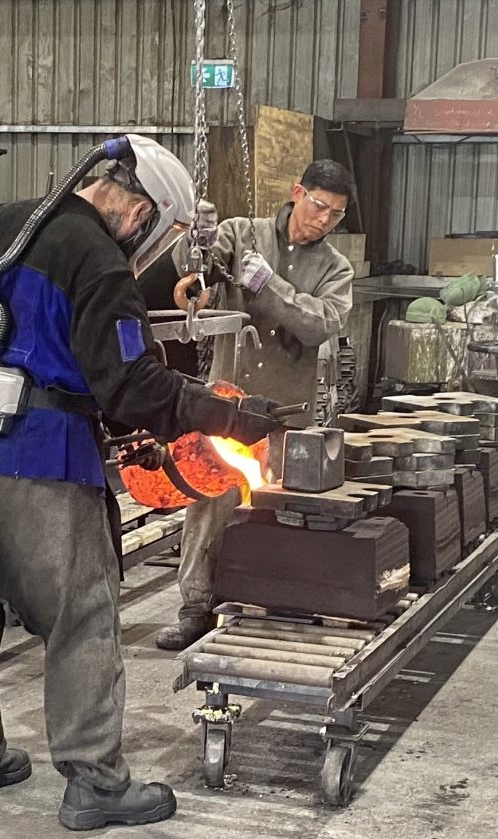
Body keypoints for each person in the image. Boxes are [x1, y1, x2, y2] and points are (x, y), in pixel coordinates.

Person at [0, 136, 284, 831]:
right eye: (162, 233)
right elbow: (131, 387)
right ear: (140, 210)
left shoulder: (4, 226)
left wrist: (24, 339)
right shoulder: (98, 261)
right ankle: (94, 780)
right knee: (82, 619)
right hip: (40, 461)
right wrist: (228, 416)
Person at [155, 159, 357, 651]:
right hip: (227, 409)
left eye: (336, 215)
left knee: (279, 513)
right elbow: (195, 273)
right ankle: (196, 610)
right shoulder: (241, 233)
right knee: (210, 505)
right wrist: (194, 239)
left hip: (287, 416)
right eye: (319, 206)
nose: (324, 220)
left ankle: (274, 610)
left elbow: (321, 324)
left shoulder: (336, 268)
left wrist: (272, 288)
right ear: (297, 193)